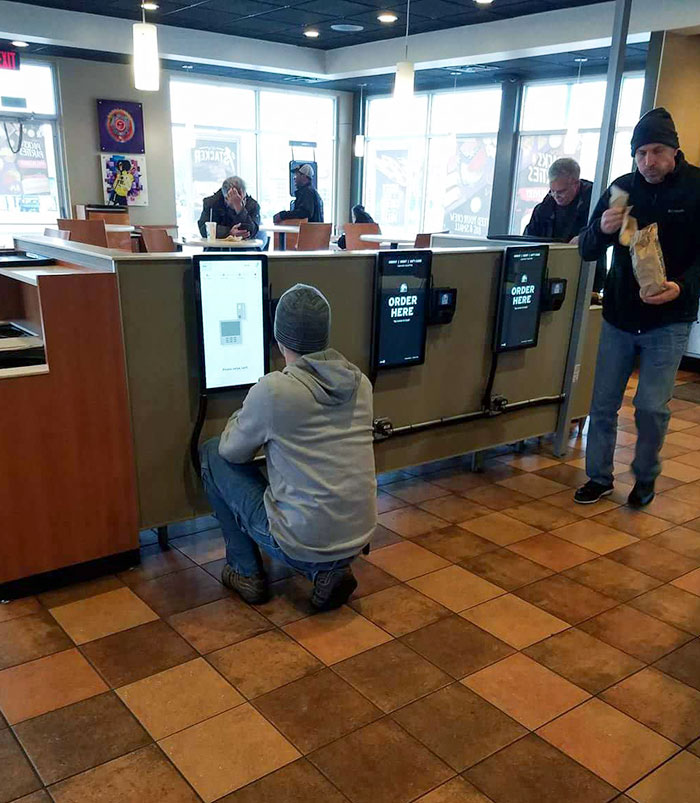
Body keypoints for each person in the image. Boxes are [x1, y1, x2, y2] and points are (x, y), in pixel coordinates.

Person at [200, 283, 376, 611]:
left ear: (279, 340)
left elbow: (231, 452)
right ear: (325, 334)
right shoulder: (360, 383)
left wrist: (248, 413)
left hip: (303, 538)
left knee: (211, 453)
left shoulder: (275, 391)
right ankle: (328, 570)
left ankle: (246, 572)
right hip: (360, 531)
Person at [574, 107, 700, 508]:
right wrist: (602, 229)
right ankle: (598, 477)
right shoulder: (622, 189)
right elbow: (587, 248)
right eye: (641, 152)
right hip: (619, 315)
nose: (648, 161)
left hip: (670, 318)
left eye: (657, 151)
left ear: (674, 151)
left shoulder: (697, 188)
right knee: (603, 402)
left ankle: (645, 477)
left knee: (649, 407)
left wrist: (681, 287)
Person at [524, 158, 606, 292]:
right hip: (549, 273)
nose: (556, 196)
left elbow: (605, 236)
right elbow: (527, 240)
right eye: (552, 191)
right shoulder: (544, 208)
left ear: (576, 184)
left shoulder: (596, 205)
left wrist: (584, 238)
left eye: (561, 191)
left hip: (586, 276)